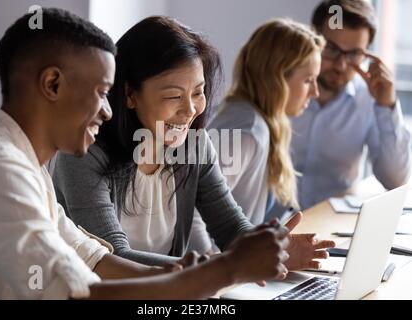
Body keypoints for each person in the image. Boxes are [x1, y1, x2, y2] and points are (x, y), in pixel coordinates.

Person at [0, 8, 291, 299]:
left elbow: (94, 259)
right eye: (102, 93)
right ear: (53, 85)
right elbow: (76, 293)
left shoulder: (23, 159)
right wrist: (227, 269)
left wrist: (206, 271)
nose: (108, 111)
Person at [53, 16, 335, 270]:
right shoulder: (84, 153)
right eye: (174, 96)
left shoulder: (193, 145)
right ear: (129, 94)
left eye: (198, 92)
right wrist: (220, 267)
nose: (190, 110)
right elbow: (112, 260)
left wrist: (273, 249)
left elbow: (230, 228)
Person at [189, 19, 327, 255]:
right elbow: (192, 215)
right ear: (278, 77)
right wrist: (213, 273)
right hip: (222, 277)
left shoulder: (261, 121)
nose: (315, 92)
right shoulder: (246, 131)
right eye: (307, 80)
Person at [290, 0, 411, 209]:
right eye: (331, 49)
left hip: (331, 229)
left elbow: (395, 180)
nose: (341, 64)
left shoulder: (369, 99)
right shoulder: (278, 88)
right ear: (312, 38)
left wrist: (387, 105)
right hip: (273, 228)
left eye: (354, 54)